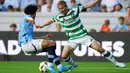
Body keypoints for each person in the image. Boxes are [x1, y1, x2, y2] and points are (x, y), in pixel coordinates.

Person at [36, 0, 126, 72]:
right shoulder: (59, 17)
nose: (61, 10)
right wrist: (42, 26)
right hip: (72, 39)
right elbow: (50, 21)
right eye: (59, 9)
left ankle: (116, 62)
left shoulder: (74, 10)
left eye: (62, 8)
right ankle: (73, 65)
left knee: (100, 49)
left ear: (66, 7)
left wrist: (96, 2)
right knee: (64, 56)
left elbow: (87, 6)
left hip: (83, 36)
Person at [18, 4, 69, 73]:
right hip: (27, 45)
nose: (36, 15)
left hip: (27, 45)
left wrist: (43, 37)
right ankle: (50, 66)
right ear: (33, 13)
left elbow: (31, 38)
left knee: (51, 48)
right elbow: (28, 18)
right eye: (35, 13)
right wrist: (33, 21)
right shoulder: (27, 18)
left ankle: (60, 67)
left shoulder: (25, 25)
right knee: (52, 43)